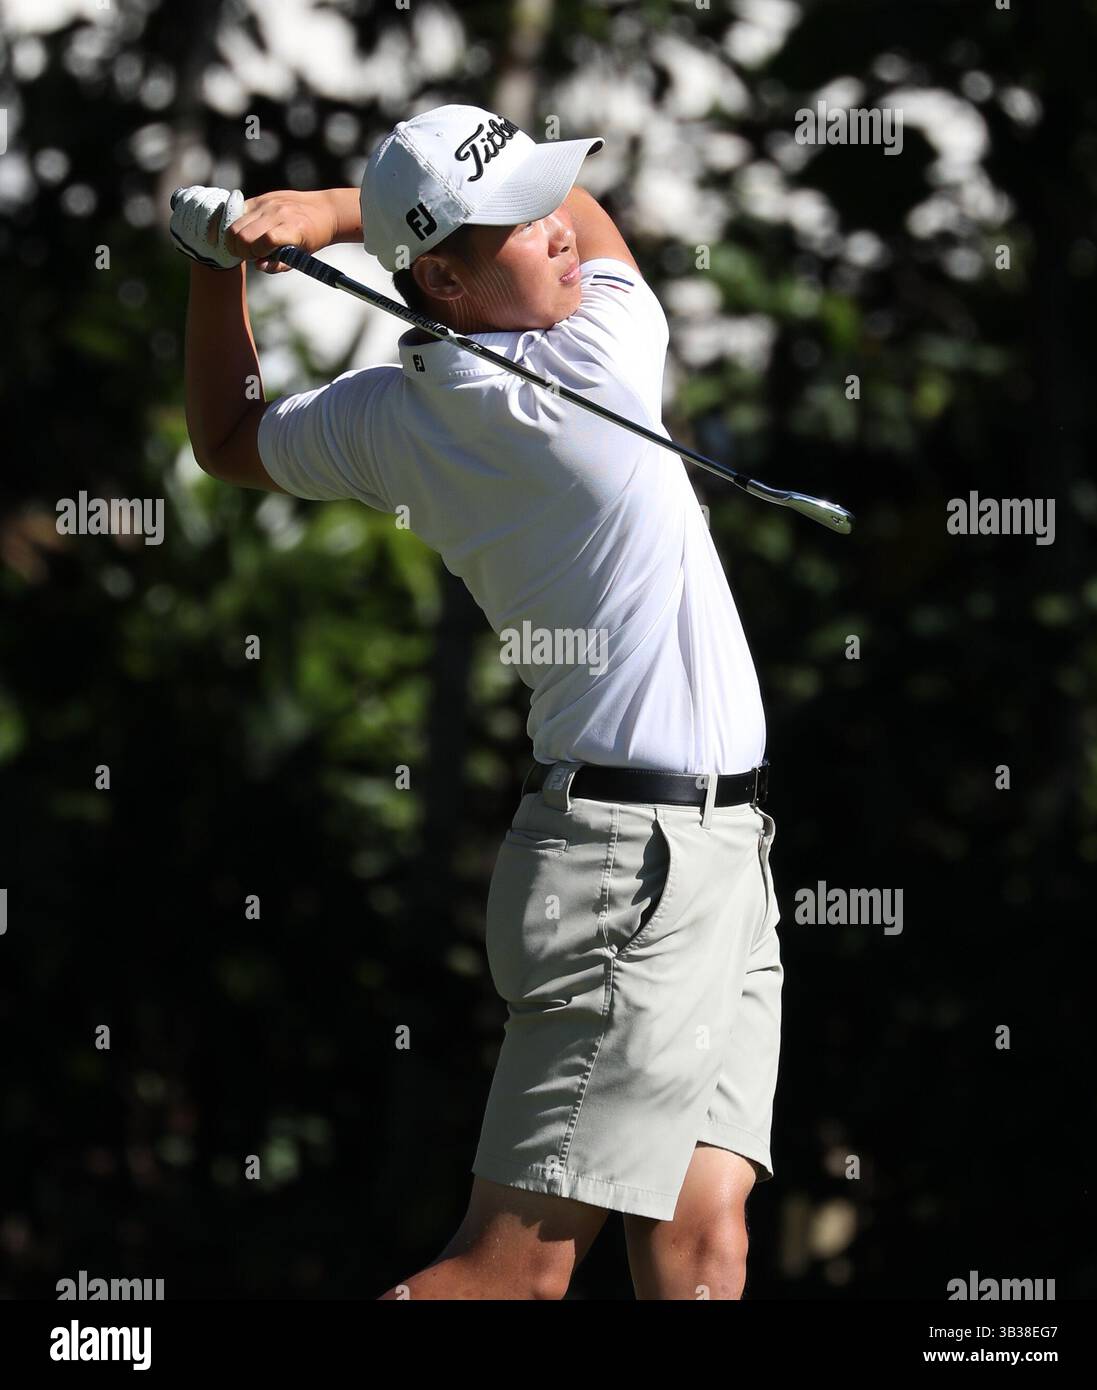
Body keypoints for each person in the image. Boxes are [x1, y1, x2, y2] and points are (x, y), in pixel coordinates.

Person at [172, 103, 784, 1301]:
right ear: (443, 278)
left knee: (706, 1236)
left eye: (544, 198)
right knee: (509, 1276)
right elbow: (603, 230)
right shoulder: (598, 352)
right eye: (519, 221)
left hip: (711, 852)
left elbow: (229, 436)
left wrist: (217, 269)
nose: (558, 228)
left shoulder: (386, 419)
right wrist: (342, 213)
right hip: (635, 870)